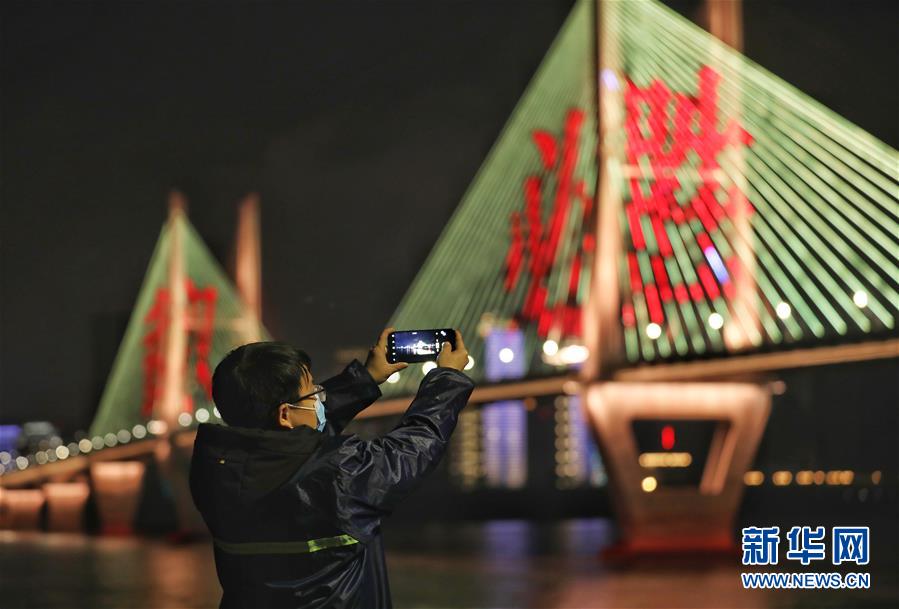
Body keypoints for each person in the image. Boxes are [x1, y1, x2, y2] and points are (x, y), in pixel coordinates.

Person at [189, 327, 474, 609]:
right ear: (285, 414)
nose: (319, 396)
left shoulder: (212, 470)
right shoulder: (338, 476)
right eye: (312, 392)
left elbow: (285, 439)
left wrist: (365, 380)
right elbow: (411, 450)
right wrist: (447, 379)